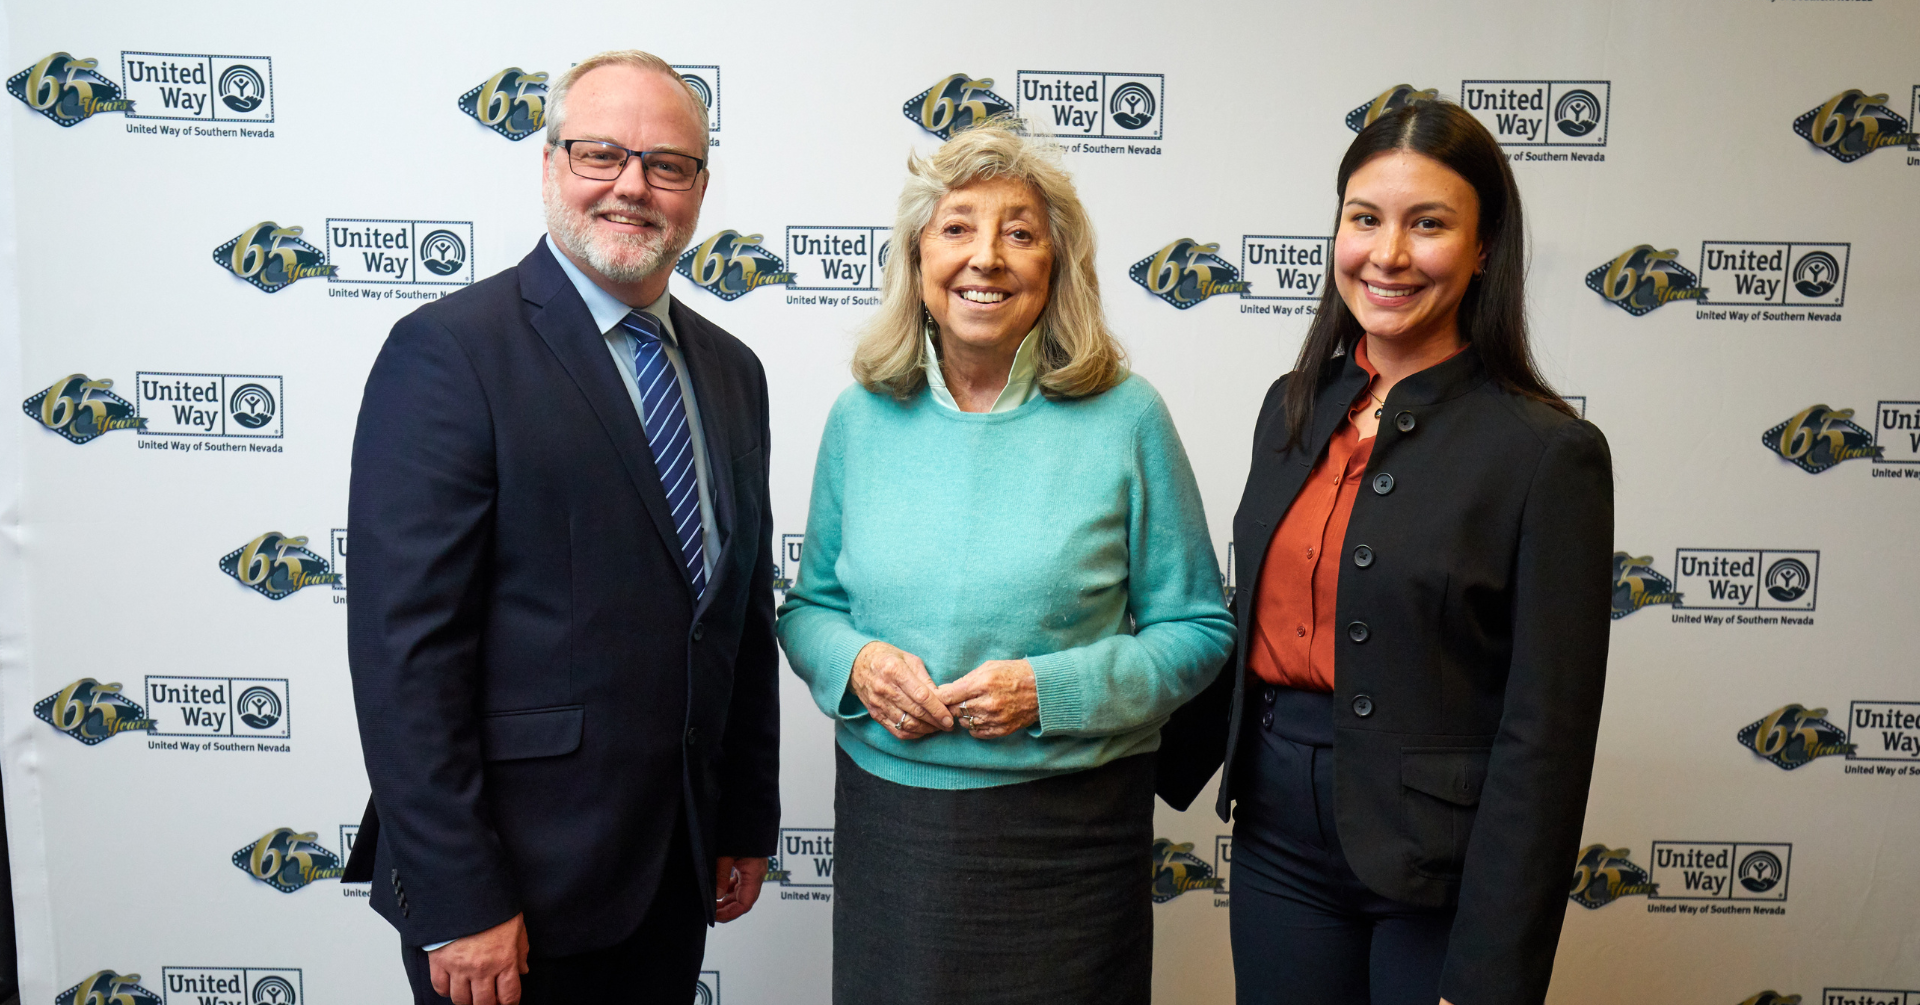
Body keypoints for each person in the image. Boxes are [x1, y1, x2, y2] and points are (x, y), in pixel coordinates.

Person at [344, 50, 779, 1005]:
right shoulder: (450, 354)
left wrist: (745, 816)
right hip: (509, 898)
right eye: (600, 154)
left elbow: (737, 613)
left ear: (700, 190)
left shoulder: (733, 371)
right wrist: (459, 897)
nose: (633, 185)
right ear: (548, 166)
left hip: (670, 874)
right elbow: (404, 656)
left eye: (667, 164)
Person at [1157, 100, 1613, 1005]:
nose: (1389, 254)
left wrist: (1490, 973)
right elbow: (1250, 618)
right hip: (1276, 833)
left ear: (1484, 249)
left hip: (1438, 860)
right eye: (1365, 218)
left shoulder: (1546, 452)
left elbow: (1546, 740)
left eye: (1429, 224)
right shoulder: (1290, 406)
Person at [775, 119, 1234, 1005]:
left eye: (1019, 232)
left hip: (1069, 838)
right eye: (957, 228)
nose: (985, 257)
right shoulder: (860, 417)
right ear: (917, 259)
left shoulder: (1127, 417)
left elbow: (1198, 628)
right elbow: (809, 609)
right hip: (893, 831)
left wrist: (1050, 690)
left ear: (1056, 267)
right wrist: (858, 662)